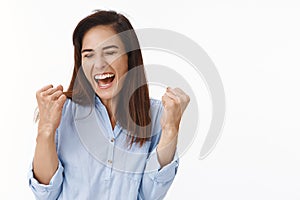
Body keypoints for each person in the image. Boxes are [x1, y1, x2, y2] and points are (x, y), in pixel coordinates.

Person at [28, 10, 190, 200]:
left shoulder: (156, 115)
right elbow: (45, 193)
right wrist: (46, 130)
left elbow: (150, 195)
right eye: (88, 55)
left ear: (130, 57)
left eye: (110, 52)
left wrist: (170, 129)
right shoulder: (61, 111)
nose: (99, 64)